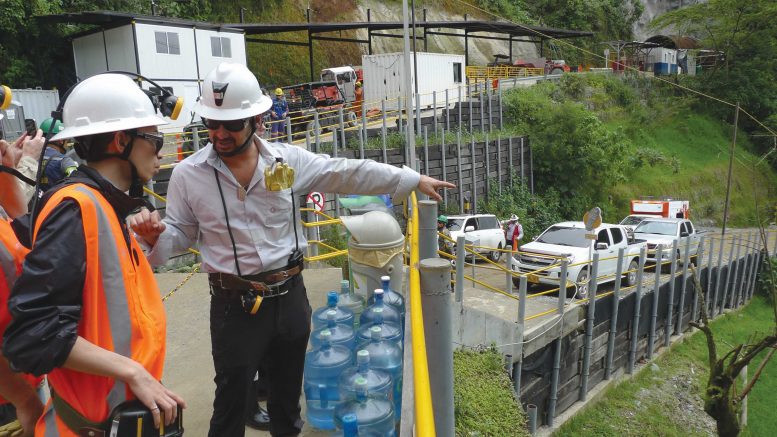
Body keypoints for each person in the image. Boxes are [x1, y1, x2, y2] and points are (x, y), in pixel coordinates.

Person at [129, 62, 454, 437]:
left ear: (256, 119)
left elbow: (345, 171)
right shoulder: (189, 175)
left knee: (286, 402)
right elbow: (181, 233)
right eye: (212, 124)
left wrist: (410, 179)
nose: (219, 134)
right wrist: (156, 238)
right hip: (234, 305)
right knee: (230, 403)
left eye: (232, 124)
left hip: (289, 298)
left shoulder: (287, 162)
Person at [2, 73, 186, 436]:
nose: (161, 151)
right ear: (121, 141)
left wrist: (142, 246)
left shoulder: (104, 204)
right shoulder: (76, 207)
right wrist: (132, 371)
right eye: (155, 139)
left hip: (121, 418)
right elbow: (34, 335)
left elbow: (104, 303)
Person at [0, 139, 44, 437]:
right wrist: (24, 399)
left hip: (25, 376)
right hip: (10, 395)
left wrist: (11, 172)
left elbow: (20, 223)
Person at [36, 118, 79, 194]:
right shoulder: (64, 160)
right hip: (55, 202)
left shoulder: (31, 157)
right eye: (66, 140)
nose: (67, 144)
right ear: (60, 140)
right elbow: (77, 181)